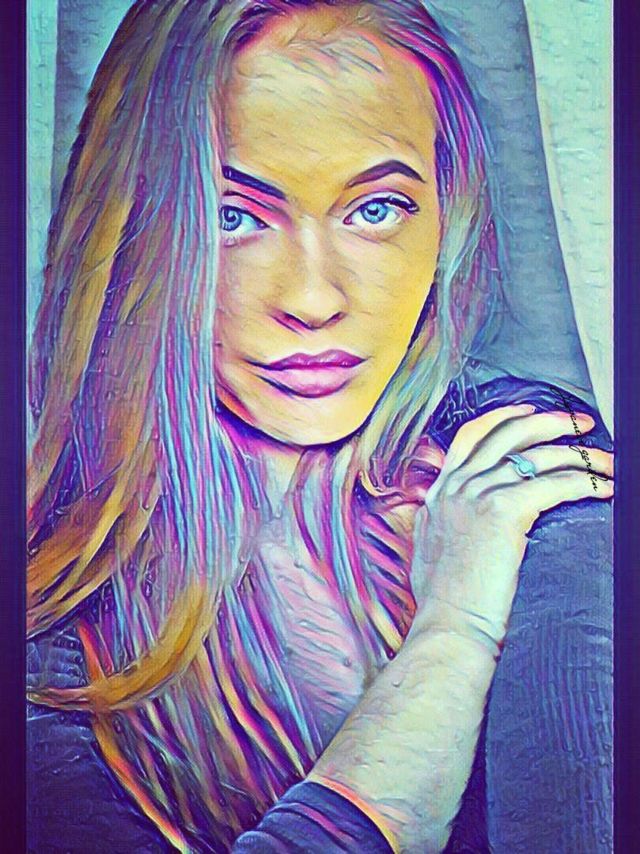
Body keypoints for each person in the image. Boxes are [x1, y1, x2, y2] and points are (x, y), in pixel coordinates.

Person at [26, 1, 614, 851]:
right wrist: (453, 634)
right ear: (134, 230)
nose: (311, 299)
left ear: (448, 214)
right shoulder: (50, 632)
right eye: (233, 217)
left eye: (375, 209)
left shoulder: (526, 460)